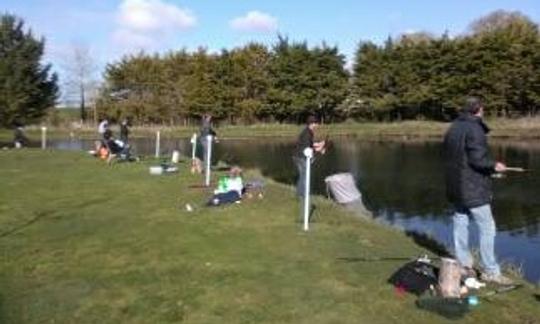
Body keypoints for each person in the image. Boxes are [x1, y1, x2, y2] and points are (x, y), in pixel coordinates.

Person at [443, 97, 512, 285]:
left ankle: (464, 264)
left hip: (456, 186)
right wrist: (494, 166)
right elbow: (477, 160)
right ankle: (491, 271)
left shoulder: (454, 127)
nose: (484, 112)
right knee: (487, 227)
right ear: (478, 110)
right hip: (472, 188)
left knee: (460, 222)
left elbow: (460, 157)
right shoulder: (475, 128)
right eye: (483, 109)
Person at [292, 115, 326, 219]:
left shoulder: (308, 132)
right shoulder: (308, 133)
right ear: (312, 123)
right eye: (316, 123)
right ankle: (301, 194)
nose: (317, 125)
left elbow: (309, 145)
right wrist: (319, 150)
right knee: (305, 175)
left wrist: (318, 144)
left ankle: (300, 193)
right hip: (301, 157)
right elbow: (307, 149)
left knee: (303, 175)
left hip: (298, 156)